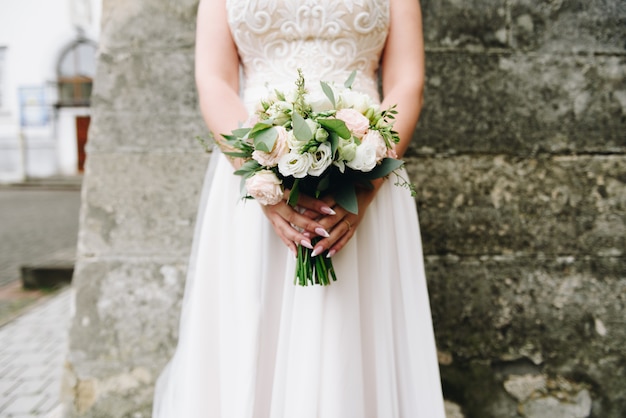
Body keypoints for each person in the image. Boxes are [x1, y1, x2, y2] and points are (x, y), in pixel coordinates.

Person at [153, 0, 446, 416]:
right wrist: (263, 184)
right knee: (253, 333)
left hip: (366, 169)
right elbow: (214, 82)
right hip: (256, 168)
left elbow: (406, 83)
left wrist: (366, 188)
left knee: (351, 330)